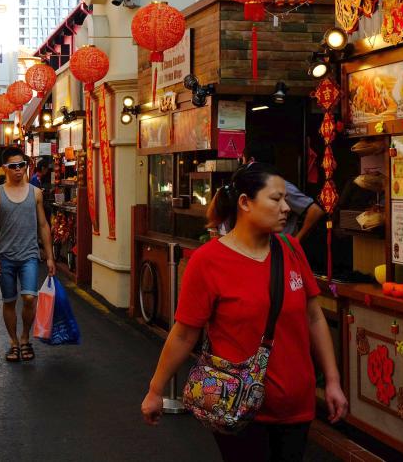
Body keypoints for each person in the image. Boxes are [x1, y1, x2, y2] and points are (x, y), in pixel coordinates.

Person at [141, 162, 347, 461]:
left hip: (297, 406)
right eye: (276, 199)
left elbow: (313, 317)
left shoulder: (291, 249)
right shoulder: (208, 261)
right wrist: (155, 389)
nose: (287, 208)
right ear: (245, 203)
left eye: (286, 199)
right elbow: (185, 333)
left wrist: (332, 381)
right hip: (236, 405)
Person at [0, 147, 55, 363]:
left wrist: (50, 256)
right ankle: (14, 343)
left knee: (29, 297)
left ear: (26, 166)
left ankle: (25, 337)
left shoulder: (35, 193)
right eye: (13, 166)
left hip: (29, 256)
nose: (18, 170)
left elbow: (43, 225)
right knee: (9, 301)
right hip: (5, 256)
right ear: (5, 168)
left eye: (22, 165)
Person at [239, 145, 324, 241]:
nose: (243, 165)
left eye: (243, 160)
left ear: (251, 161)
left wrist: (297, 240)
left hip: (279, 248)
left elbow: (315, 211)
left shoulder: (281, 186)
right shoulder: (253, 186)